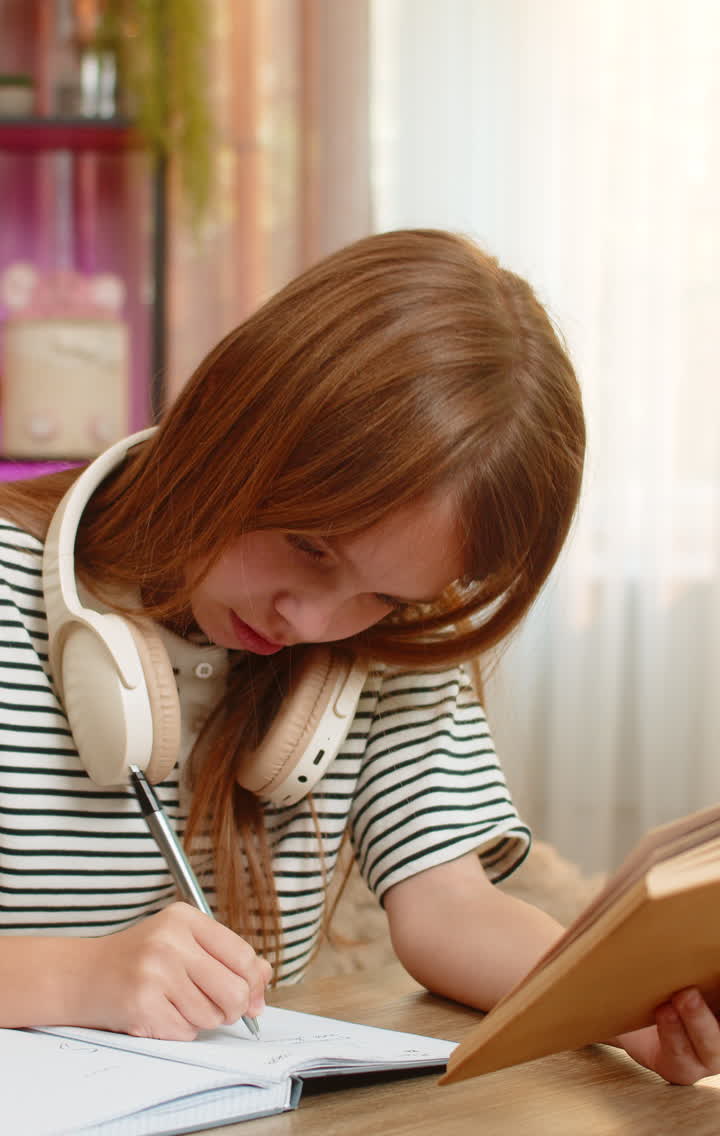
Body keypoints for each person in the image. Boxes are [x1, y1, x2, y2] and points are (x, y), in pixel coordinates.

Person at [0, 228, 716, 1086]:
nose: (312, 621)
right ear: (232, 423)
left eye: (383, 595)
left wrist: (631, 1012)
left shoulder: (387, 643)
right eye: (308, 546)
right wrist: (72, 977)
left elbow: (451, 909)